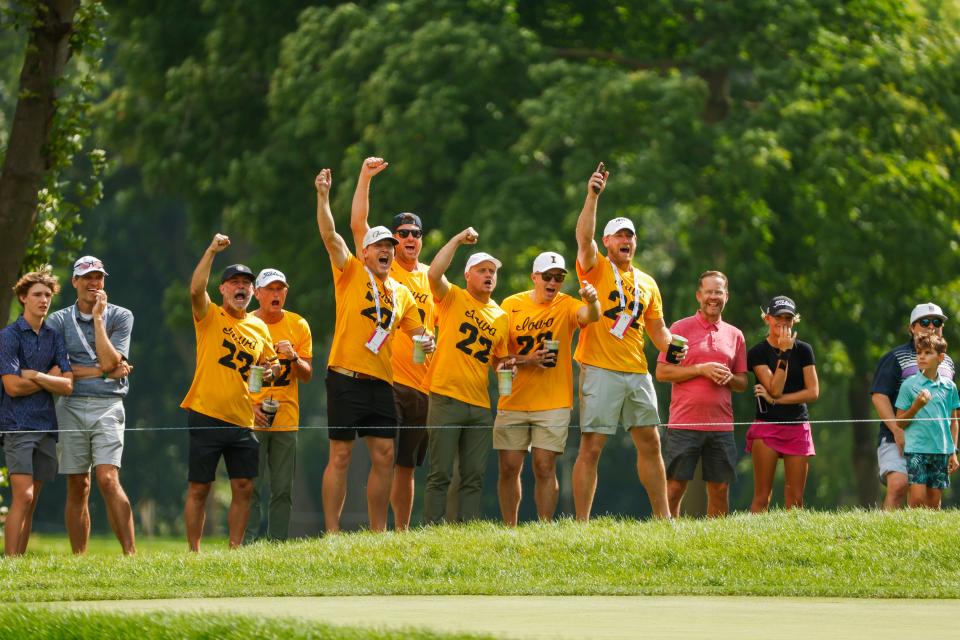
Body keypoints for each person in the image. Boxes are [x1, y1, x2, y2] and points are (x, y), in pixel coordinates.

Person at [314, 167, 433, 533]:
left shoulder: (401, 293)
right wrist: (322, 196)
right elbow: (332, 235)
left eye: (390, 248)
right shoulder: (349, 271)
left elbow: (420, 331)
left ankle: (378, 532)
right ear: (365, 252)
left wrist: (428, 341)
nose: (386, 252)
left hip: (382, 382)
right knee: (342, 454)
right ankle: (332, 532)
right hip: (345, 376)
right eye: (380, 246)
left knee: (385, 455)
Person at [571, 166, 681, 521]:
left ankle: (664, 519)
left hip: (637, 371)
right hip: (600, 368)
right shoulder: (596, 267)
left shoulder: (648, 283)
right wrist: (593, 195)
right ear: (607, 242)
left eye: (630, 235)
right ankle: (581, 525)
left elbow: (658, 331)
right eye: (619, 235)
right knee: (593, 445)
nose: (626, 240)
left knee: (651, 442)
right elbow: (583, 238)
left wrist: (676, 346)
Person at [349, 157, 436, 530]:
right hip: (389, 380)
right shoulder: (383, 267)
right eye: (402, 234)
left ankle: (401, 532)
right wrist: (365, 178)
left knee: (406, 466)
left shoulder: (433, 276)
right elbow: (358, 226)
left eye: (415, 233)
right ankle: (376, 530)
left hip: (425, 383)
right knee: (383, 457)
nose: (409, 239)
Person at [180, 234, 278, 551]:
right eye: (234, 283)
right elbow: (195, 289)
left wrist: (275, 367)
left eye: (246, 284)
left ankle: (234, 550)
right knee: (199, 487)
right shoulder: (209, 316)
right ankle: (193, 551)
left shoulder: (259, 327)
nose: (241, 288)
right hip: (206, 412)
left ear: (253, 291)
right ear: (222, 289)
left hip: (242, 419)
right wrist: (210, 250)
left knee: (244, 486)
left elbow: (268, 366)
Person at [495, 252, 600, 526]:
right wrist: (527, 360)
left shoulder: (567, 305)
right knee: (508, 468)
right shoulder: (511, 305)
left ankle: (544, 528)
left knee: (544, 465)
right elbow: (498, 356)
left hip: (553, 401)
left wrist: (593, 300)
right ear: (534, 278)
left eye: (559, 278)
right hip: (514, 399)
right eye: (548, 277)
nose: (554, 282)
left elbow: (591, 315)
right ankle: (510, 528)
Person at [46, 256, 136, 555]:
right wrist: (103, 370)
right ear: (75, 282)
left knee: (108, 478)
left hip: (109, 405)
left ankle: (131, 556)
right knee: (78, 484)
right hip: (69, 404)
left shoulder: (121, 316)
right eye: (86, 277)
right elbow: (58, 372)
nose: (93, 283)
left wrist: (98, 319)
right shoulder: (57, 321)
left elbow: (112, 361)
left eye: (98, 277)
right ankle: (79, 559)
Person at [423, 228, 511, 524]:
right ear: (467, 275)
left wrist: (511, 365)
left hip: (480, 405)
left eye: (492, 271)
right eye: (482, 270)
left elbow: (499, 361)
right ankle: (432, 530)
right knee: (441, 473)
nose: (489, 275)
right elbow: (433, 275)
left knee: (474, 476)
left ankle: (468, 531)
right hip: (446, 396)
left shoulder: (501, 316)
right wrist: (458, 239)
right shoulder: (453, 298)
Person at [655, 270, 748, 518]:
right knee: (675, 487)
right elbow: (663, 372)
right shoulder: (680, 329)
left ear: (726, 296)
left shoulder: (735, 335)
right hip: (684, 422)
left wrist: (731, 378)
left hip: (721, 426)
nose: (713, 297)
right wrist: (700, 370)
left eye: (718, 292)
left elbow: (742, 382)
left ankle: (715, 542)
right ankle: (665, 535)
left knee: (719, 488)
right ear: (699, 295)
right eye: (708, 291)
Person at [1, 268, 73, 556]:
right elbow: (12, 388)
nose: (44, 300)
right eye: (37, 295)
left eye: (47, 295)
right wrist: (48, 379)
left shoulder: (55, 337)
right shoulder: (8, 337)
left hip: (46, 426)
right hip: (16, 426)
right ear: (23, 298)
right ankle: (8, 561)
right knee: (24, 495)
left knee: (32, 499)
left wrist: (37, 376)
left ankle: (18, 560)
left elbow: (67, 385)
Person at [244, 268, 313, 542]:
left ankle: (278, 544)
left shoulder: (298, 325)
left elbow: (307, 375)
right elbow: (236, 375)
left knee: (283, 488)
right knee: (249, 486)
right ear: (257, 293)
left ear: (286, 292)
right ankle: (247, 542)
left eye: (280, 289)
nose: (276, 294)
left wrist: (294, 358)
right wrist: (251, 407)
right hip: (252, 417)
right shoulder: (246, 324)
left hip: (286, 418)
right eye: (270, 289)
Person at [871, 303, 955, 509]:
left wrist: (953, 447)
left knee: (932, 497)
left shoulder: (947, 362)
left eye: (937, 322)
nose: (931, 326)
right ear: (911, 328)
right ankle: (882, 536)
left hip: (935, 443)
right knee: (899, 485)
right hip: (896, 436)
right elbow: (879, 397)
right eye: (924, 321)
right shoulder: (895, 357)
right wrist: (897, 431)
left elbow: (952, 411)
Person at [747, 296, 820, 512]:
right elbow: (775, 388)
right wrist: (785, 353)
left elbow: (813, 392)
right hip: (767, 426)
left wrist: (775, 400)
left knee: (796, 500)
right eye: (778, 317)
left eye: (788, 318)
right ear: (767, 318)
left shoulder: (805, 350)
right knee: (762, 498)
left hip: (797, 426)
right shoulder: (757, 353)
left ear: (794, 320)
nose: (784, 322)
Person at [893, 334, 959, 509]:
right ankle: (910, 533)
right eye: (919, 352)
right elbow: (899, 422)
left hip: (941, 450)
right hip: (917, 450)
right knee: (917, 499)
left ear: (941, 357)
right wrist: (915, 407)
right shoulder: (909, 385)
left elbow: (954, 421)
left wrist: (953, 451)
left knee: (934, 502)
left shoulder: (949, 387)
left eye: (927, 353)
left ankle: (928, 536)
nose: (921, 356)